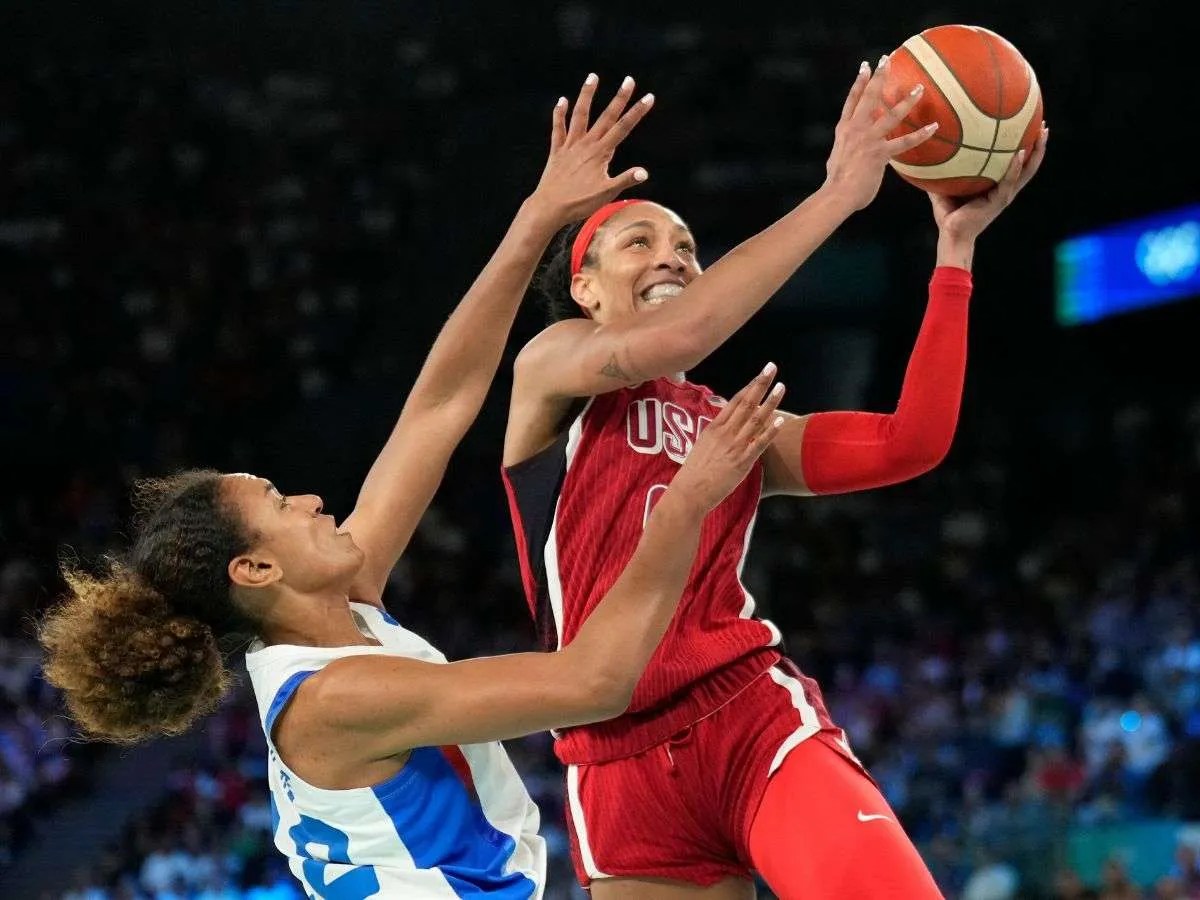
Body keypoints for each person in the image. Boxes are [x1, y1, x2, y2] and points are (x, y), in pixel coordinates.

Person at [38, 76, 789, 899]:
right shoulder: (336, 697)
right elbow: (592, 683)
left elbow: (439, 406)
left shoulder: (343, 605)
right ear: (255, 570)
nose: (313, 501)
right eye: (282, 505)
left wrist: (536, 216)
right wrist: (686, 500)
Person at [501, 56, 1049, 899]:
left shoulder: (738, 425)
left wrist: (955, 254)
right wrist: (836, 193)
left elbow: (912, 443)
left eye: (686, 246)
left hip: (748, 717)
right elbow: (674, 340)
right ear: (584, 287)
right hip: (614, 764)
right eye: (639, 241)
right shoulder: (553, 366)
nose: (674, 257)